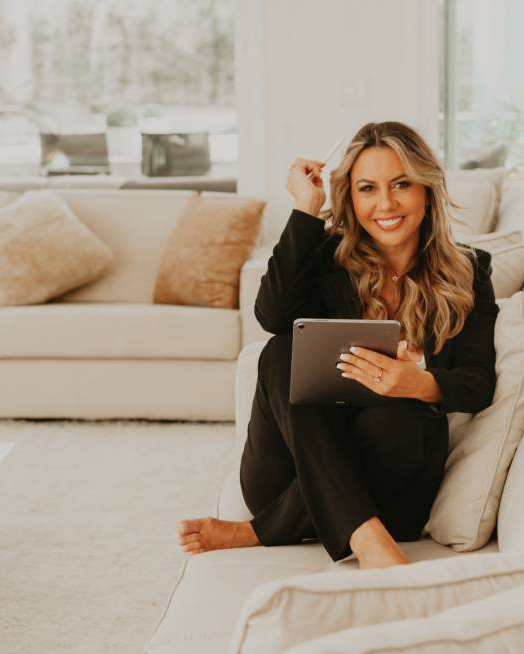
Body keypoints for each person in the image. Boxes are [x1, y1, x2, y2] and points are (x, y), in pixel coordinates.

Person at [176, 121, 498, 569]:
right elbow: (271, 315)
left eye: (401, 184)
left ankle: (262, 530)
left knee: (409, 417)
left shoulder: (469, 270)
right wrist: (306, 211)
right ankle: (367, 540)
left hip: (393, 490)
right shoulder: (328, 255)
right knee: (281, 351)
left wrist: (419, 383)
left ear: (427, 189)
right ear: (351, 197)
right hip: (287, 469)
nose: (385, 204)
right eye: (368, 188)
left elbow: (478, 382)